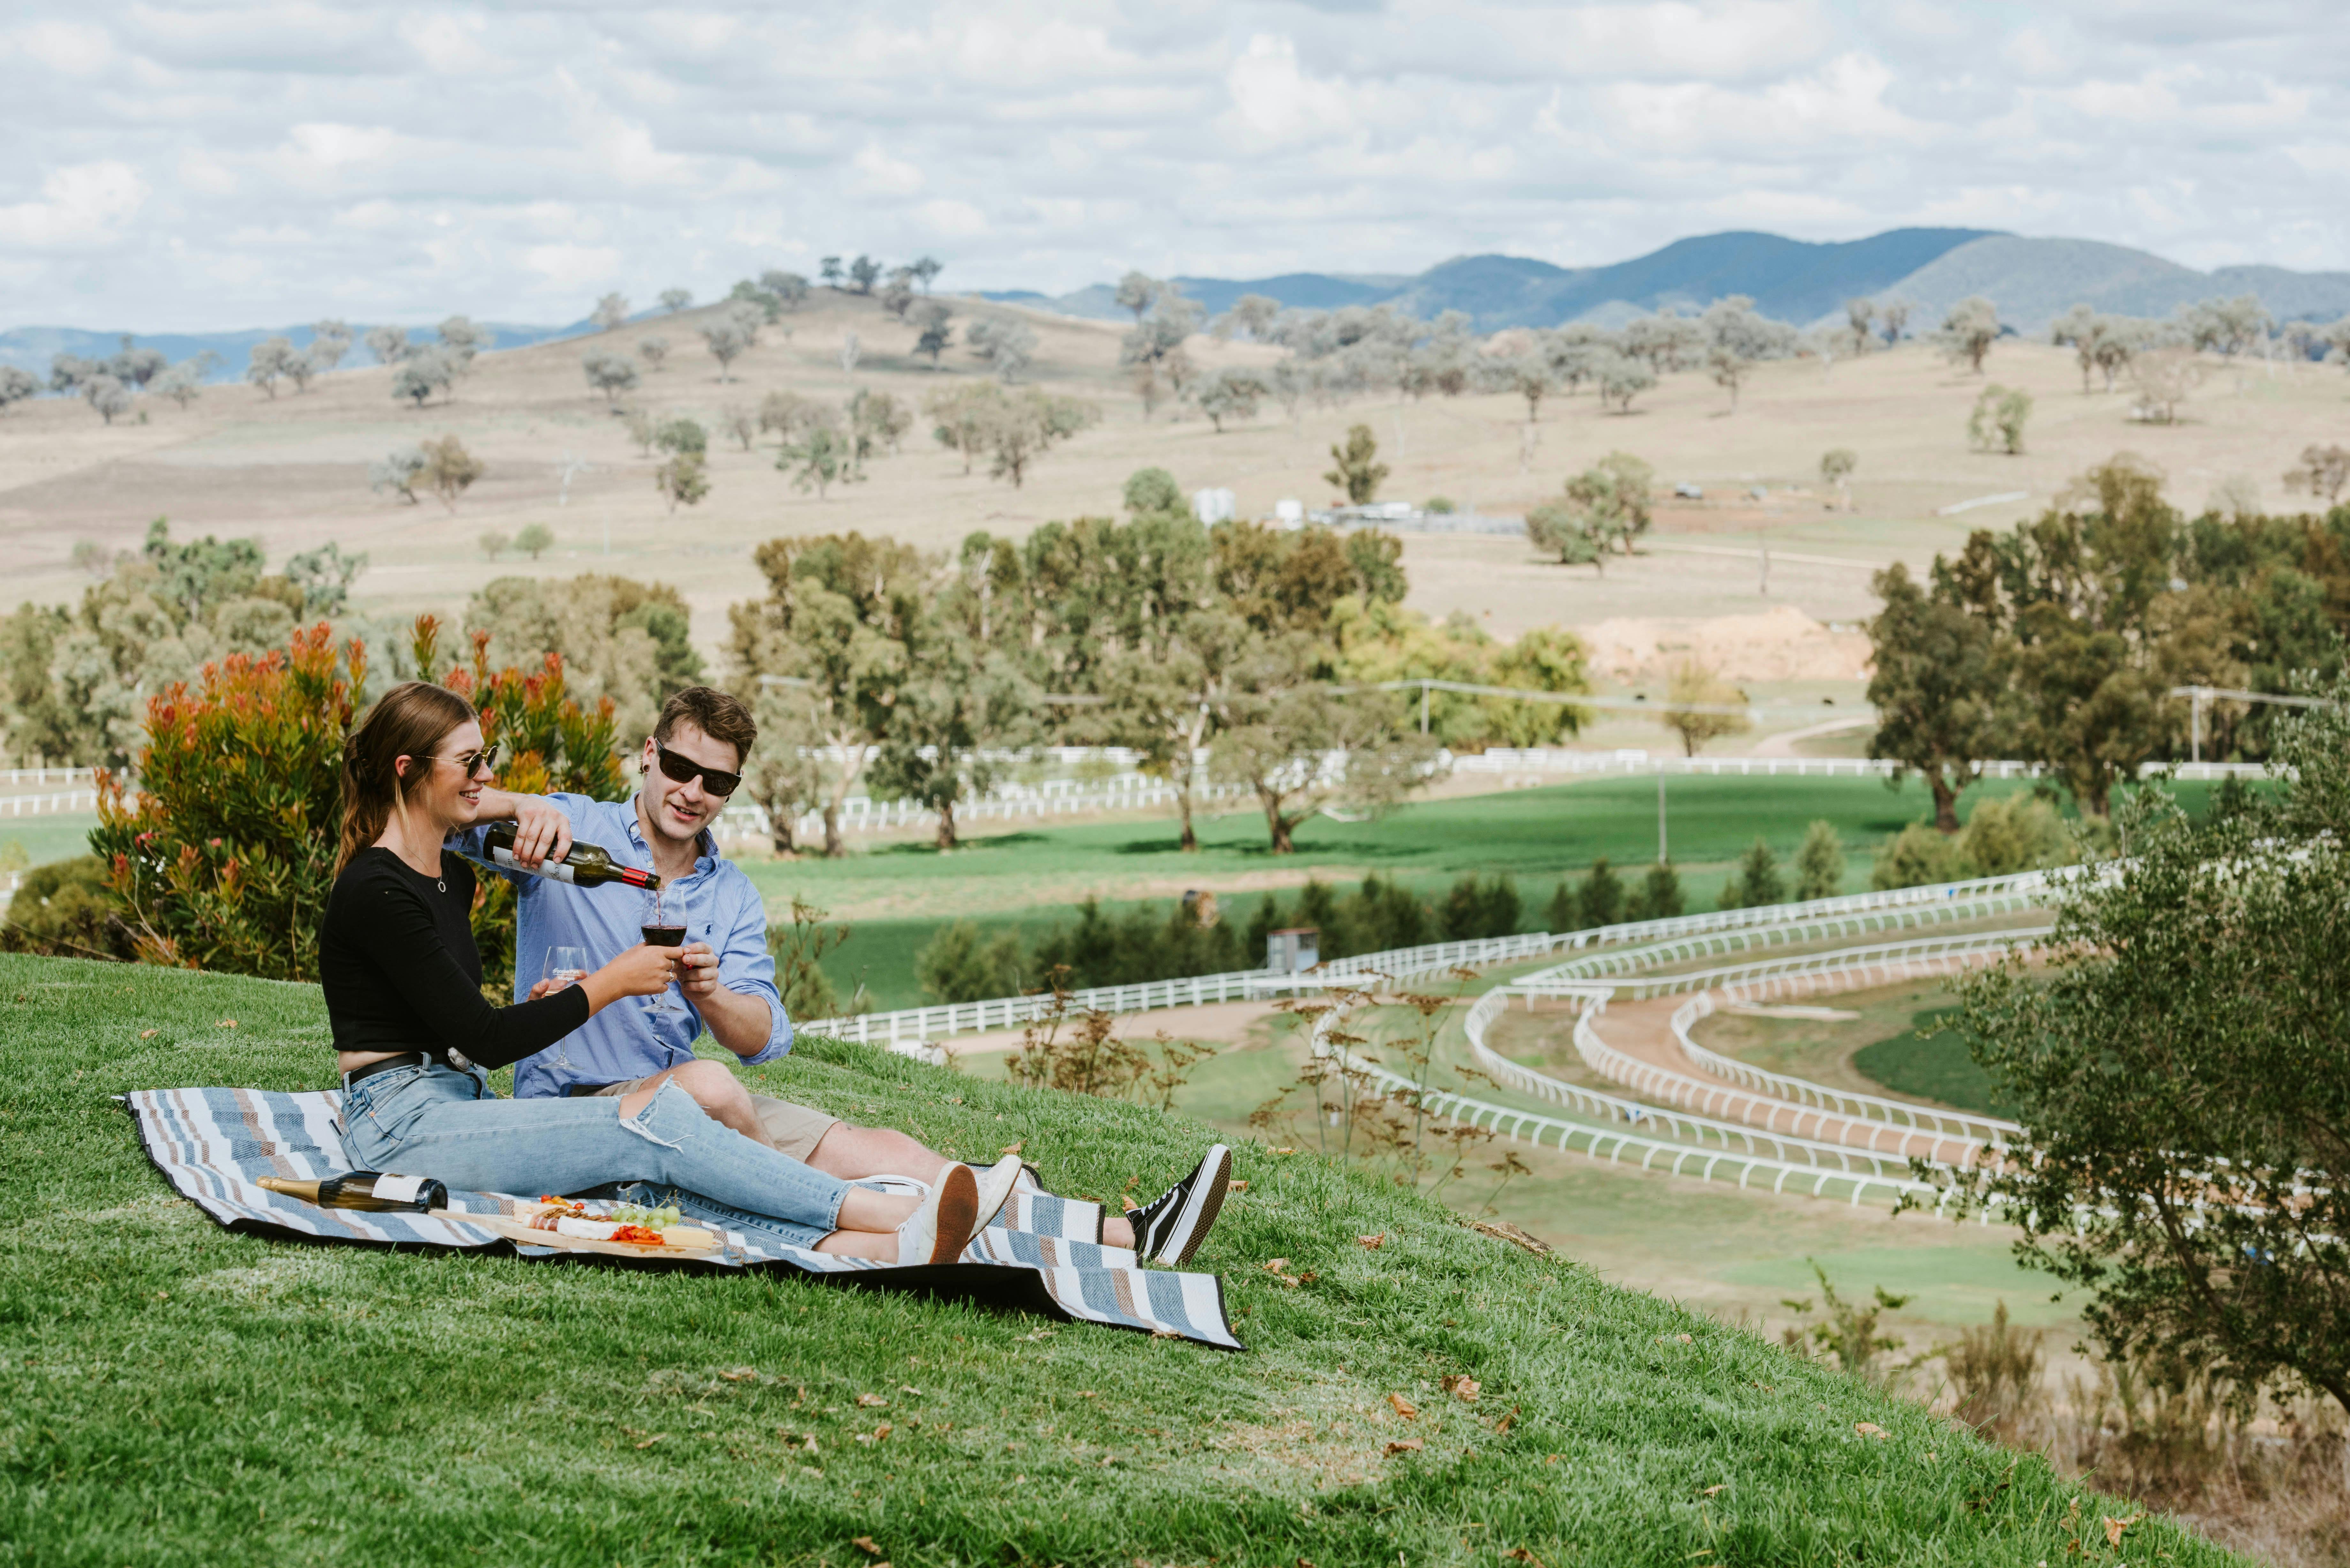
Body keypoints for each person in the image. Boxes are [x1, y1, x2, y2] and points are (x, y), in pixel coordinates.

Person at [480, 684, 1229, 1267]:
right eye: (679, 767)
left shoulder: (730, 892)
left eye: (716, 780)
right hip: (584, 1106)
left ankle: (1125, 1233)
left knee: (898, 1153)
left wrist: (710, 995)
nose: (692, 791)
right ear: (648, 754)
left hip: (695, 1097)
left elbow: (763, 1038)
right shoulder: (576, 831)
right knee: (711, 1089)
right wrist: (522, 806)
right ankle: (835, 1214)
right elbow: (460, 817)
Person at [319, 678, 1026, 1266]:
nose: (487, 779)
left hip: (461, 1096)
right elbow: (485, 1029)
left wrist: (582, 998)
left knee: (804, 1138)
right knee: (666, 1121)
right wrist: (610, 972)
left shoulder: (445, 877)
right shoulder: (396, 882)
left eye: (716, 780)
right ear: (650, 756)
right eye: (472, 763)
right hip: (406, 1118)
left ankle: (939, 1231)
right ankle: (890, 1215)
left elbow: (455, 1018)